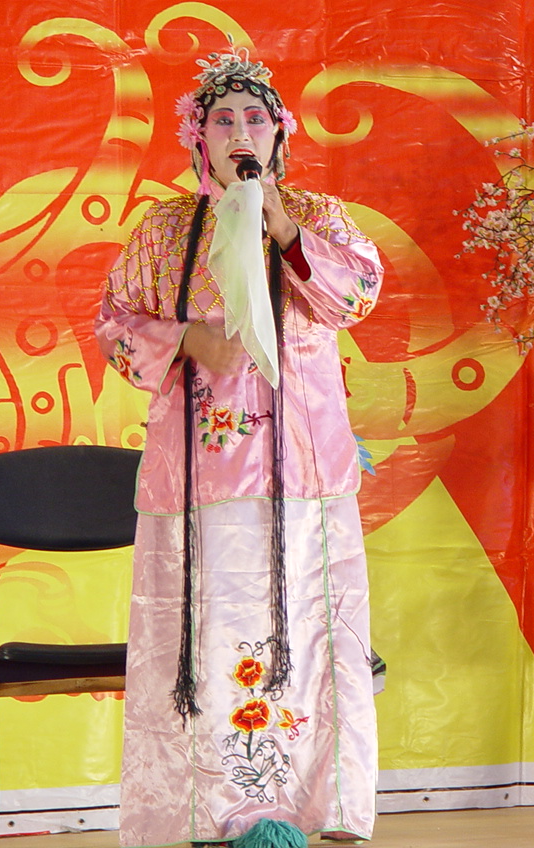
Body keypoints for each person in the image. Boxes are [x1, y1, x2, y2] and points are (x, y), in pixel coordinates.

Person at [95, 41, 383, 846]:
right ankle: (221, 812)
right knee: (212, 635)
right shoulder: (164, 231)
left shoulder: (320, 217)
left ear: (280, 133)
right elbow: (112, 326)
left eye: (256, 118)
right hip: (202, 473)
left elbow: (356, 296)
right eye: (223, 120)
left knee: (313, 635)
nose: (240, 133)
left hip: (306, 472)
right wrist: (188, 339)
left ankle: (317, 807)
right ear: (198, 138)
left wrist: (281, 225)